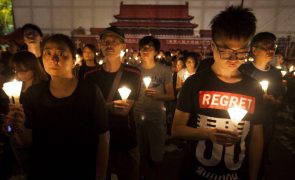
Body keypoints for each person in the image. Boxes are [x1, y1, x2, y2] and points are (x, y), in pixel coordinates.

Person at [172, 6, 264, 180]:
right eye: (226, 51)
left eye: (241, 52)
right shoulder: (195, 83)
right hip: (196, 172)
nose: (233, 59)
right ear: (212, 46)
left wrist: (253, 176)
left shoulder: (254, 88)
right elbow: (176, 129)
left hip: (237, 172)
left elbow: (256, 139)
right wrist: (207, 134)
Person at [5, 34, 109, 179]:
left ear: (73, 61)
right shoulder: (33, 94)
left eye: (61, 54)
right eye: (48, 53)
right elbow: (27, 142)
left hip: (82, 169)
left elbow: (103, 136)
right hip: (44, 170)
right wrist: (17, 127)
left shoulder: (90, 91)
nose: (54, 59)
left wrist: (100, 175)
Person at [85, 26, 141, 180]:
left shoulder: (133, 74)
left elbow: (123, 110)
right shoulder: (89, 75)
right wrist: (109, 106)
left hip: (125, 137)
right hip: (97, 138)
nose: (109, 45)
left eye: (114, 42)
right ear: (100, 45)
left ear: (123, 45)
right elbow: (86, 108)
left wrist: (100, 106)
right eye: (105, 42)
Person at [239, 32, 285, 178]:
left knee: (261, 151)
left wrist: (273, 101)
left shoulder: (276, 74)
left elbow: (279, 101)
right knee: (241, 150)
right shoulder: (244, 70)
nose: (270, 50)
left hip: (266, 121)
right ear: (254, 50)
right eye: (265, 46)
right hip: (244, 120)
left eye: (272, 46)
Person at [133, 36, 174, 179]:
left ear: (156, 51)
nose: (145, 50)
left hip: (156, 115)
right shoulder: (135, 71)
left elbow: (171, 96)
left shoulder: (164, 70)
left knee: (156, 152)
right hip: (137, 114)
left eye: (149, 48)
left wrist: (157, 95)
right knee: (140, 151)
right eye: (143, 48)